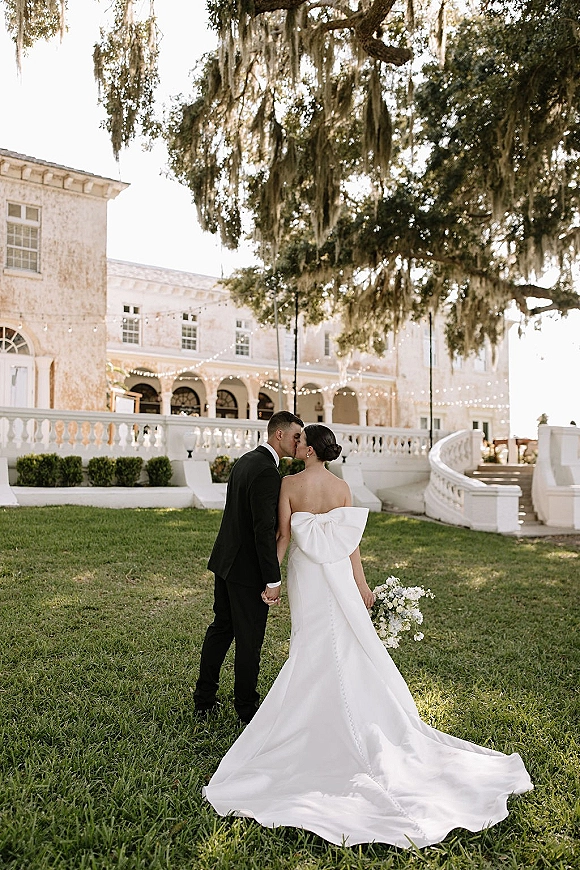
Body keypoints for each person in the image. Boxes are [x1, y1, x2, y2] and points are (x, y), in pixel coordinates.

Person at [203, 424, 533, 848]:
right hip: (338, 575)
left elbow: (283, 536)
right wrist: (362, 586)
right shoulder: (342, 488)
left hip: (308, 576)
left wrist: (273, 582)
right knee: (345, 643)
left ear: (307, 452)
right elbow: (352, 545)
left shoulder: (288, 484)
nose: (297, 442)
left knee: (313, 643)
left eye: (302, 441)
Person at [194, 410, 303, 724]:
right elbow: (262, 530)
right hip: (245, 571)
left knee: (221, 629)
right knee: (249, 640)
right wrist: (272, 578)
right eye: (296, 436)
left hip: (225, 561)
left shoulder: (245, 460)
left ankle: (204, 698)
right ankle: (246, 708)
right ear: (278, 434)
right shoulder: (268, 472)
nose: (300, 442)